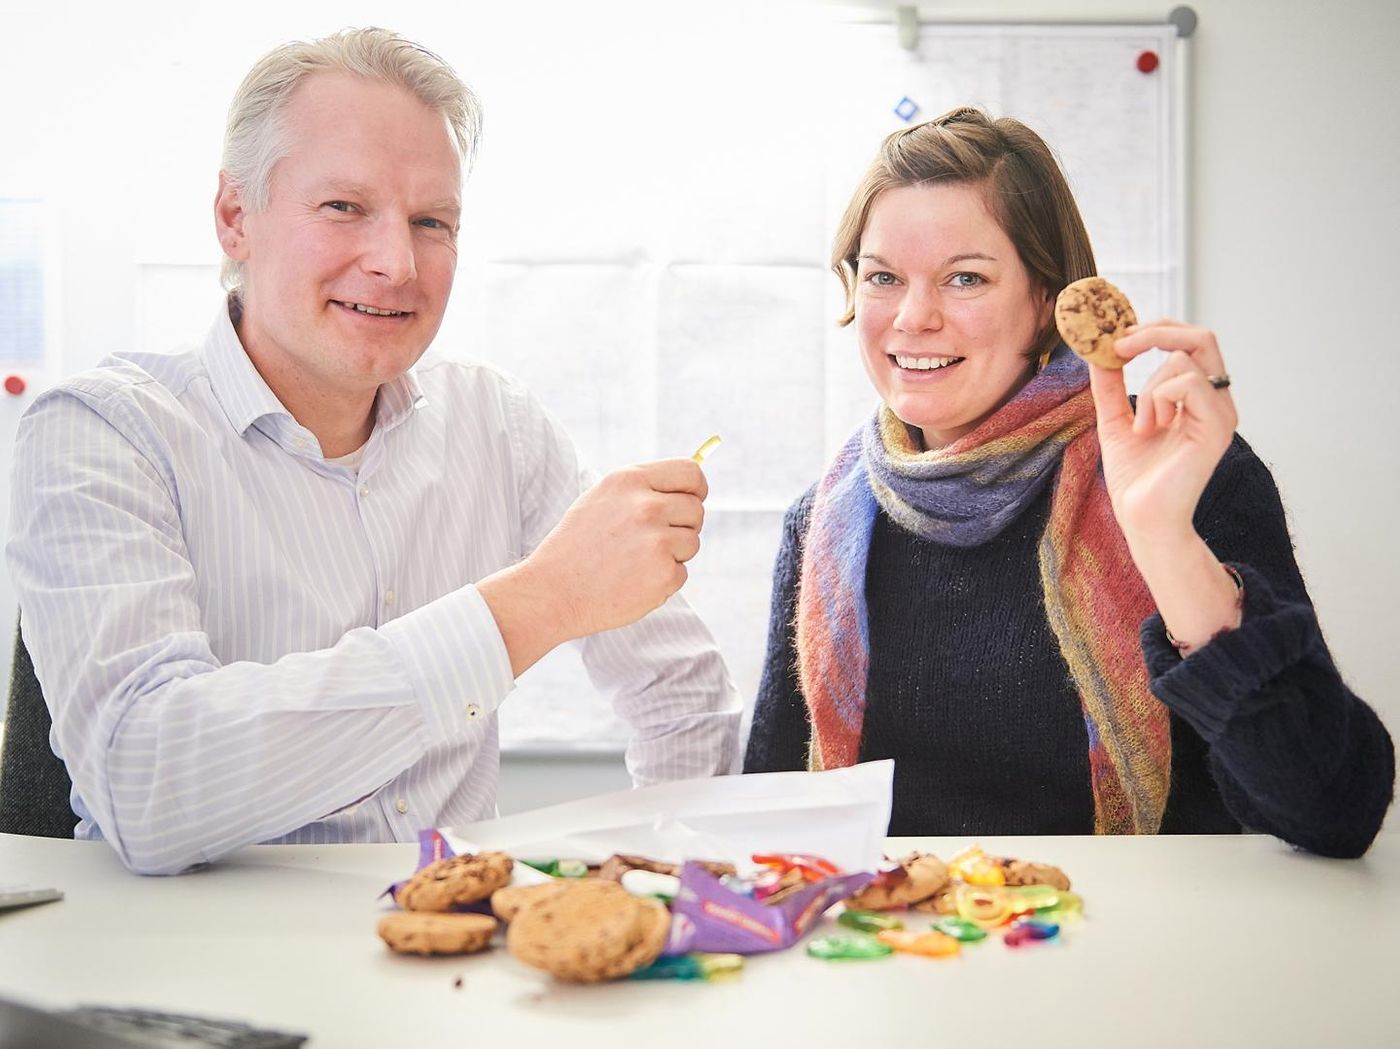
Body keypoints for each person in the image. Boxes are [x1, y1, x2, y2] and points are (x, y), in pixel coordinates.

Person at [5, 28, 741, 875]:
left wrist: (669, 894)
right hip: (192, 972)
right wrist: (536, 604)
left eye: (433, 221)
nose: (397, 263)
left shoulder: (496, 422)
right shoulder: (101, 431)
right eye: (343, 207)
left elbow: (681, 693)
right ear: (235, 217)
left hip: (448, 964)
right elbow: (148, 783)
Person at [743, 107, 1393, 857]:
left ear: (1048, 299)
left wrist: (1160, 539)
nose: (913, 318)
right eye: (884, 276)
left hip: (1148, 960)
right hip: (907, 953)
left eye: (965, 278)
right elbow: (772, 814)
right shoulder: (822, 520)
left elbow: (1336, 808)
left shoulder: (1184, 473)